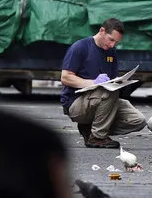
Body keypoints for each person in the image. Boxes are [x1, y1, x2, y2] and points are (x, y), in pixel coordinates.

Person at [60, 18, 146, 149]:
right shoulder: (80, 47)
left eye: (116, 42)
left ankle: (90, 129)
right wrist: (92, 83)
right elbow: (65, 78)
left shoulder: (111, 52)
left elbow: (111, 80)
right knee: (109, 92)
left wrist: (121, 82)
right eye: (111, 40)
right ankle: (97, 137)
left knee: (138, 120)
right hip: (76, 103)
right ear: (102, 31)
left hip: (101, 100)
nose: (112, 45)